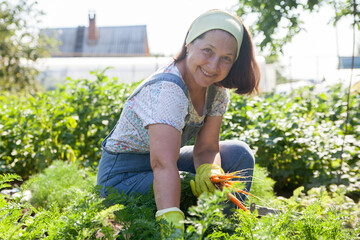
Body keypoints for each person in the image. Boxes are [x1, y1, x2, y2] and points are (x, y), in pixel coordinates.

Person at [97, 9, 260, 238]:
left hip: (163, 163)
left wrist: (209, 170)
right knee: (187, 183)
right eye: (208, 51)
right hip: (122, 178)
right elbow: (163, 164)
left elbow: (206, 149)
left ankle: (222, 229)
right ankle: (184, 230)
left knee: (239, 156)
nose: (214, 66)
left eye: (226, 58)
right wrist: (171, 224)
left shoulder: (216, 91)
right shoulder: (168, 89)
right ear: (189, 44)